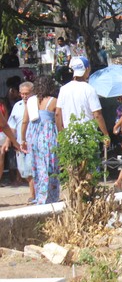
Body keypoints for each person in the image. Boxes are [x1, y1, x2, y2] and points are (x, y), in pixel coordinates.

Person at [20, 76, 60, 205]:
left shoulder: (31, 101)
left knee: (37, 166)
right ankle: (50, 196)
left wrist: (23, 139)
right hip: (47, 135)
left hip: (33, 135)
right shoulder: (54, 101)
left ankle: (39, 195)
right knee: (50, 165)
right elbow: (59, 119)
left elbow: (25, 121)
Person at [55, 56, 110, 146]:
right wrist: (105, 134)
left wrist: (61, 133)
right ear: (87, 69)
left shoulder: (63, 89)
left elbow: (57, 113)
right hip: (88, 137)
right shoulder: (89, 89)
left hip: (69, 138)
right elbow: (97, 114)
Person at [7, 81, 35, 202]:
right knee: (24, 171)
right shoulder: (17, 106)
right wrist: (10, 142)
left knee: (31, 171)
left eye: (27, 93)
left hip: (32, 143)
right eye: (22, 94)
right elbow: (11, 126)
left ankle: (34, 195)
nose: (24, 96)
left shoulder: (36, 105)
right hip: (19, 144)